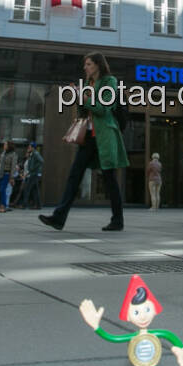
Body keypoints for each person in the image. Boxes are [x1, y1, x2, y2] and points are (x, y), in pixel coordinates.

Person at [39, 52, 126, 232]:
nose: (85, 67)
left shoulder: (110, 82)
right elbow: (84, 112)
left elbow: (103, 108)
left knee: (110, 180)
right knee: (74, 175)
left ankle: (118, 220)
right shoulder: (88, 83)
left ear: (98, 65)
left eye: (88, 64)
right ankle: (59, 217)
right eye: (85, 64)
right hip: (88, 137)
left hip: (104, 135)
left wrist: (84, 97)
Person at [19, 143, 44, 210]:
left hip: (34, 174)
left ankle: (24, 205)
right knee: (35, 190)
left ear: (33, 148)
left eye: (30, 147)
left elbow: (41, 161)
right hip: (33, 174)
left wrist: (34, 168)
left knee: (27, 189)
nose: (28, 148)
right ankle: (38, 205)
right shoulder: (32, 154)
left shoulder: (35, 154)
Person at [0, 141, 18, 213]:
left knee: (3, 190)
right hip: (1, 173)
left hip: (7, 174)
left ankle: (3, 206)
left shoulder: (13, 155)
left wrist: (11, 177)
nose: (4, 146)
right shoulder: (3, 153)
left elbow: (13, 166)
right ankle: (3, 205)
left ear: (9, 146)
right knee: (2, 190)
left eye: (5, 144)